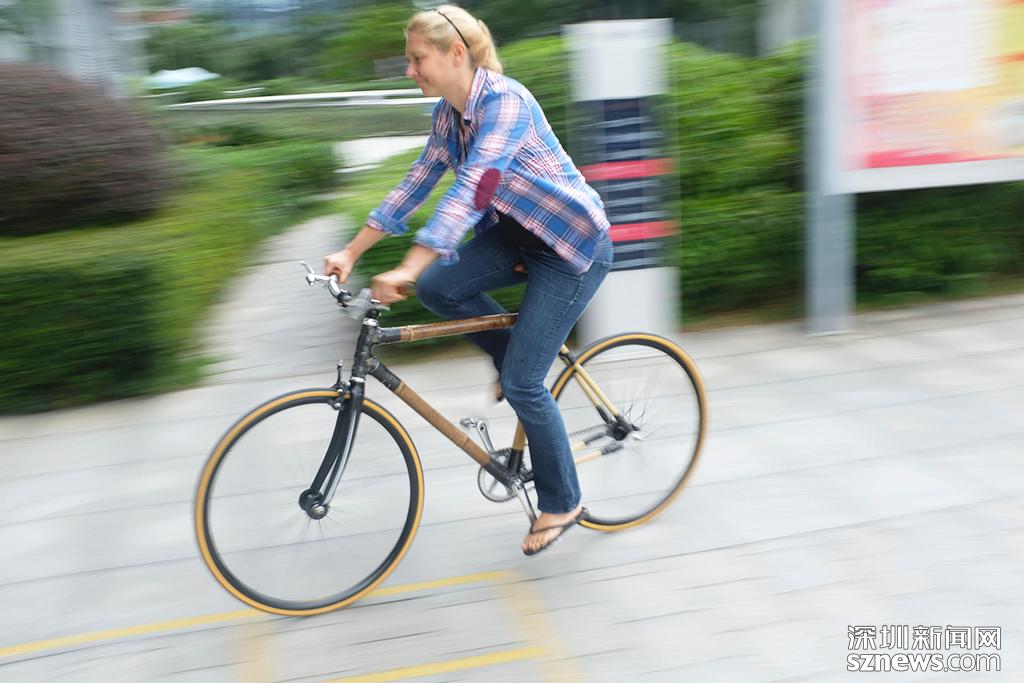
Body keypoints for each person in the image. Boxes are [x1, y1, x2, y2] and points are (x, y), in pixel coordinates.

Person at [324, 4, 613, 556]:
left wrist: (408, 265)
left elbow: (473, 188)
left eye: (417, 59)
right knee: (439, 288)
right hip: (517, 238)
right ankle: (510, 355)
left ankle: (562, 501)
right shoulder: (447, 115)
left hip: (571, 248)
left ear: (456, 53)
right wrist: (351, 251)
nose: (409, 69)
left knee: (525, 384)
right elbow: (416, 183)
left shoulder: (506, 102)